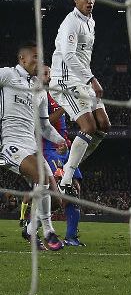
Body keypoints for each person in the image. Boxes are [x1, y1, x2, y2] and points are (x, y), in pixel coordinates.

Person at [1, 41, 67, 251]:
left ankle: (29, 231)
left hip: (32, 148)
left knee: (57, 200)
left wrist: (60, 141)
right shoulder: (8, 75)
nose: (39, 61)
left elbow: (45, 126)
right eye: (35, 57)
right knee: (40, 175)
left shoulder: (38, 89)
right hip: (11, 144)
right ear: (23, 59)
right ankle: (48, 232)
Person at [49, 0, 110, 198]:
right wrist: (92, 79)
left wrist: (88, 79)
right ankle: (66, 180)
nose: (90, 1)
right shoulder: (71, 22)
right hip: (65, 81)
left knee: (103, 125)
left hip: (82, 80)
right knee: (88, 126)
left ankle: (67, 168)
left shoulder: (90, 22)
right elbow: (68, 55)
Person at [42, 66, 85, 246]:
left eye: (51, 73)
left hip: (64, 147)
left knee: (75, 188)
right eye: (45, 73)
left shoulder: (59, 93)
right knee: (61, 193)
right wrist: (63, 108)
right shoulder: (39, 95)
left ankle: (71, 236)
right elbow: (44, 123)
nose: (49, 76)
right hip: (48, 148)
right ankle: (33, 225)